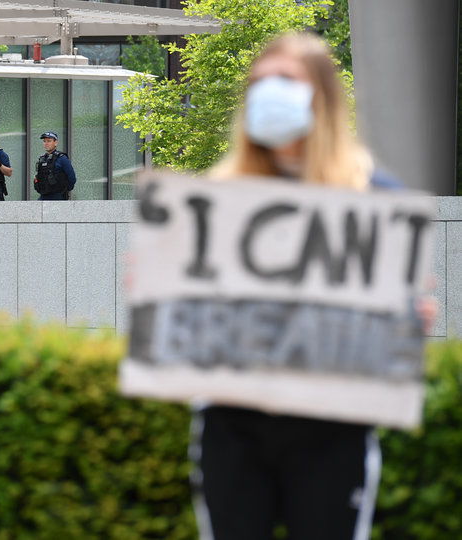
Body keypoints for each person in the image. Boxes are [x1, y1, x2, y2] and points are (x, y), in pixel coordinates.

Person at [190, 33, 434, 540]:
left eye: (284, 80)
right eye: (259, 82)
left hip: (334, 427)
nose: (267, 93)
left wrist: (405, 322)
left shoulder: (374, 199)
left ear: (321, 97)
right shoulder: (215, 200)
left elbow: (398, 320)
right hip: (232, 425)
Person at [33, 131, 76, 200]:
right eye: (44, 141)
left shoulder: (62, 158)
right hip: (44, 195)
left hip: (58, 196)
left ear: (56, 143)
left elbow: (72, 177)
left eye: (49, 141)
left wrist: (65, 191)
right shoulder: (42, 159)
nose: (46, 144)